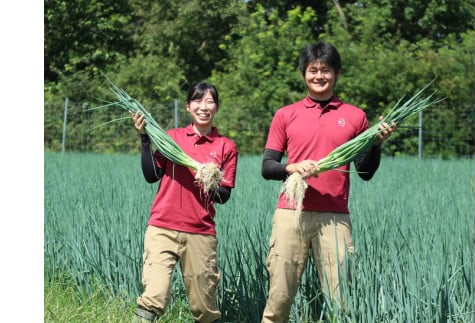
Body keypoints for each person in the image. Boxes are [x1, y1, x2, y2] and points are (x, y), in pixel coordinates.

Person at [260, 41, 396, 322]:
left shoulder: (355, 116)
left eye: (325, 70)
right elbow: (267, 167)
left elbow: (365, 171)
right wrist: (293, 167)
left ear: (337, 73)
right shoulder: (286, 114)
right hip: (291, 213)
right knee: (279, 299)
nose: (319, 76)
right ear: (303, 74)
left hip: (335, 218)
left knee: (341, 300)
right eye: (313, 70)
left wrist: (376, 144)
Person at [129, 82, 239, 323]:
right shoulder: (172, 138)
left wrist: (208, 181)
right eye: (198, 101)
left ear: (216, 107)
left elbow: (224, 196)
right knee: (153, 296)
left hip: (200, 232)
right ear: (188, 106)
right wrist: (144, 139)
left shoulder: (226, 146)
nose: (204, 107)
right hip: (162, 227)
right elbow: (152, 176)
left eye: (209, 101)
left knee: (204, 307)